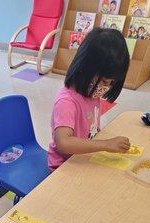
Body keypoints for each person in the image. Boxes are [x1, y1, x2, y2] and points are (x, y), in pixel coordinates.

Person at [48, 28, 130, 171]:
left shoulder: (92, 94)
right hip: (62, 166)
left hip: (84, 157)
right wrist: (106, 144)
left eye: (112, 83)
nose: (107, 88)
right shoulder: (67, 101)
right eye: (104, 81)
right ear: (85, 69)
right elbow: (63, 142)